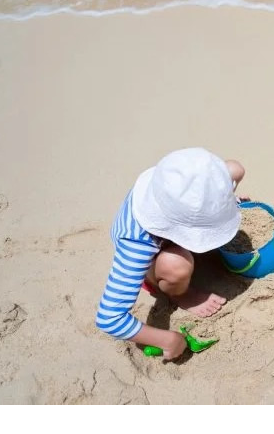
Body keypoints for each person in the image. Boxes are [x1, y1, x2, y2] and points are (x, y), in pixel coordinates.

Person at [95, 147, 248, 360]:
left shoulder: (174, 181)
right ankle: (179, 293)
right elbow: (109, 319)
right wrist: (168, 340)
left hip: (172, 218)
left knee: (234, 169)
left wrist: (222, 204)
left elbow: (215, 181)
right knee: (175, 265)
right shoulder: (136, 243)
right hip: (155, 259)